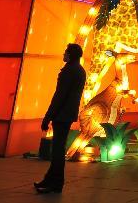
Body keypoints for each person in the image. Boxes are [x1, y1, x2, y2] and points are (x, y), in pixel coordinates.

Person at [35, 43, 87, 194]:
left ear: (70, 55)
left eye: (66, 52)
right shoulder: (80, 70)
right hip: (68, 114)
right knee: (58, 148)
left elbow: (59, 96)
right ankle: (50, 179)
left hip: (61, 115)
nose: (64, 54)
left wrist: (48, 117)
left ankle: (55, 183)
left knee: (57, 150)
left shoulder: (69, 71)